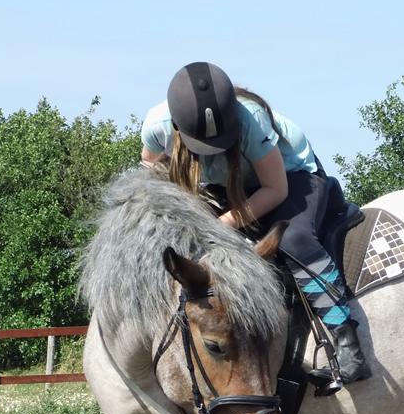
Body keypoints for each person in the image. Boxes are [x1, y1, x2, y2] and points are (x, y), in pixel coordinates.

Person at [140, 61, 371, 390]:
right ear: (176, 127)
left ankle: (347, 343)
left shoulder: (251, 120)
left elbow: (276, 190)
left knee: (294, 239)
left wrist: (223, 224)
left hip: (291, 178)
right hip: (219, 185)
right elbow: (152, 169)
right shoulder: (156, 124)